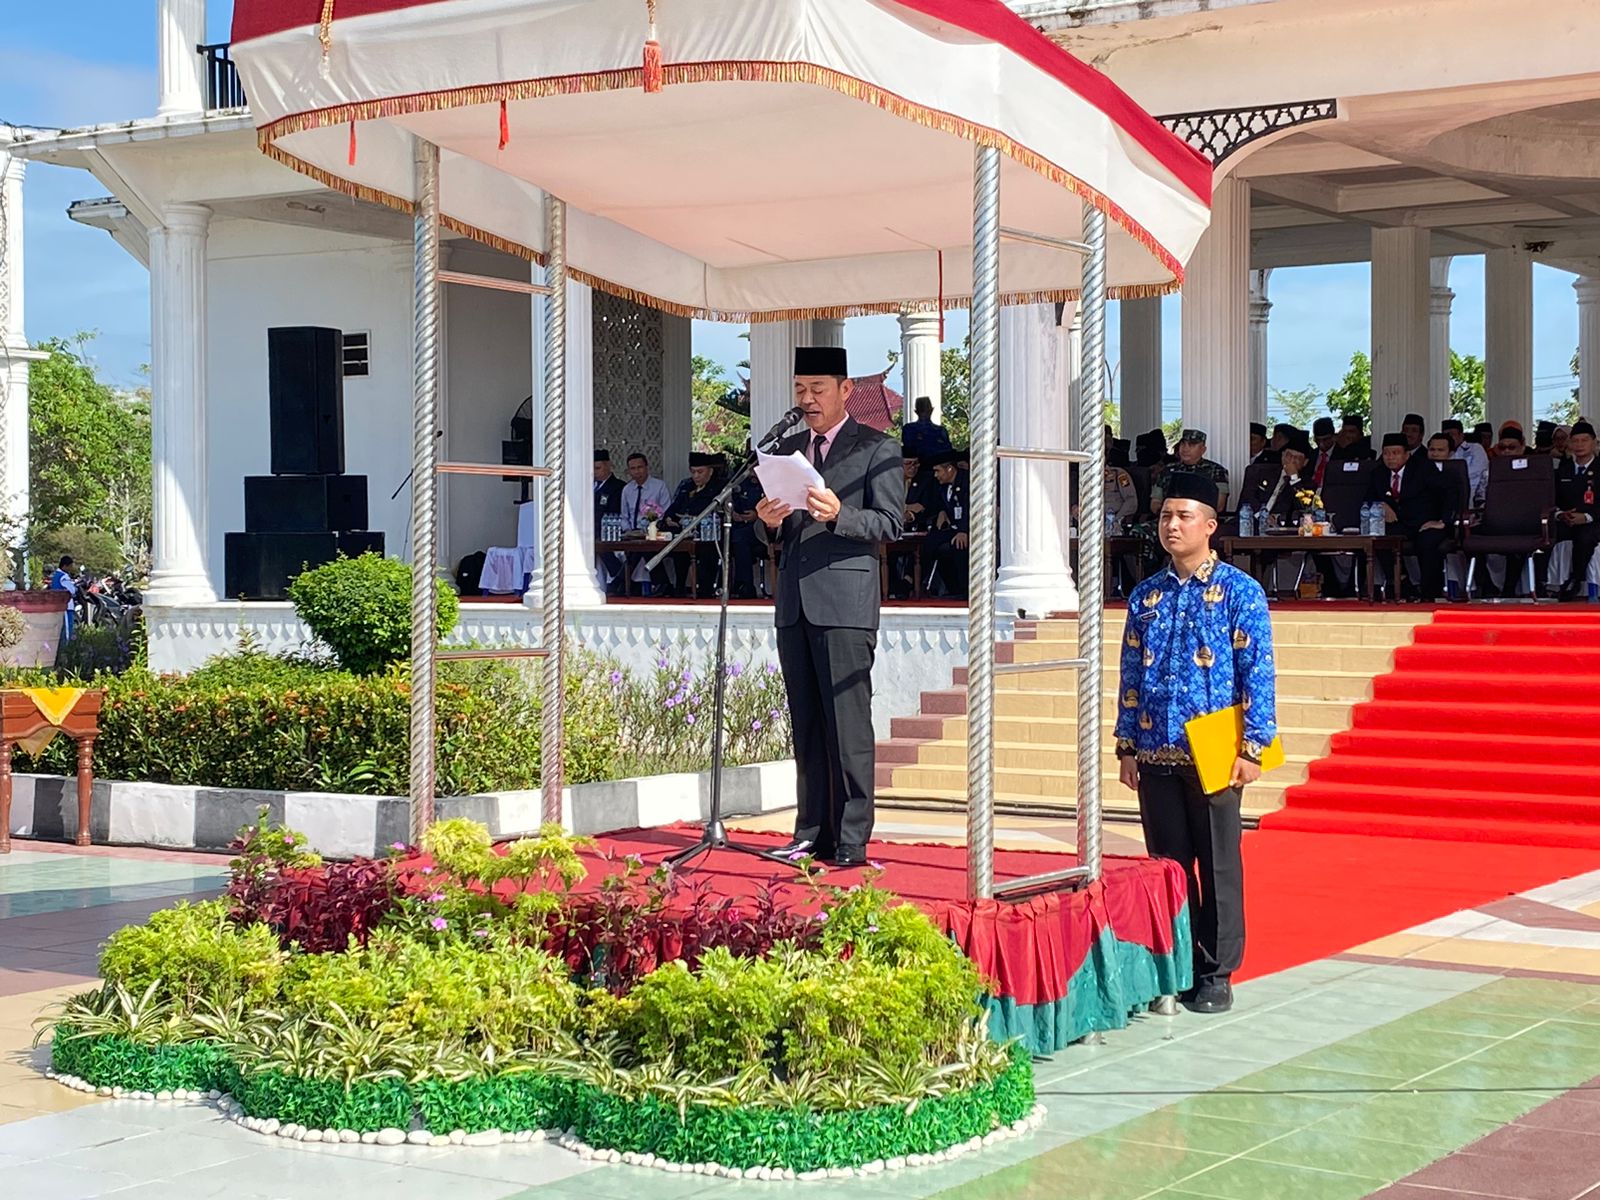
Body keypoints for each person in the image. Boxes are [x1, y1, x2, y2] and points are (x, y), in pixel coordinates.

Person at [1116, 472, 1276, 1015]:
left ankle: (1216, 970)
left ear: (1209, 525)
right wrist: (1126, 745)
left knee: (1218, 862)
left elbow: (1258, 671)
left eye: (1184, 516)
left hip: (1214, 749)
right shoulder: (1146, 594)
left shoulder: (1238, 590)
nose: (1172, 525)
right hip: (1155, 745)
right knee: (1168, 865)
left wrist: (1253, 746)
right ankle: (1176, 963)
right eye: (1166, 515)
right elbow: (1130, 673)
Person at [755, 346, 903, 867]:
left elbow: (890, 523)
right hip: (795, 601)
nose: (808, 399)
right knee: (807, 722)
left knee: (847, 723)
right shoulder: (787, 450)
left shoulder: (877, 448)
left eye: (818, 389)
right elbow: (774, 533)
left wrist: (841, 514)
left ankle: (851, 838)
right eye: (800, 389)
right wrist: (768, 522)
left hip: (845, 604)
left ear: (845, 390)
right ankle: (809, 832)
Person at [1368, 432, 1450, 601]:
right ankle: (1403, 585)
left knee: (1428, 542)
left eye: (1396, 453)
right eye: (1386, 453)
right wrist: (1381, 505)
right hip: (1398, 524)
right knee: (1379, 538)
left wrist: (1444, 521)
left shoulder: (1424, 468)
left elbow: (1449, 493)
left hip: (1425, 523)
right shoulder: (1378, 473)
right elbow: (1367, 498)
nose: (1390, 458)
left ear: (1407, 454)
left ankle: (1429, 594)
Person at [664, 452, 724, 597]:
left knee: (706, 552)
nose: (696, 476)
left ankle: (705, 590)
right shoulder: (687, 486)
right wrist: (669, 518)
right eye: (693, 472)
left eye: (700, 472)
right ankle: (678, 588)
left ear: (710, 471)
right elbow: (674, 508)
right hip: (684, 533)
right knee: (677, 547)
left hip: (707, 534)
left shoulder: (718, 487)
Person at [1555, 420, 1600, 601]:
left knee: (1585, 536)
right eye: (1575, 441)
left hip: (1594, 521)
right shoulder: (1563, 470)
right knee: (1543, 533)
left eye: (1585, 440)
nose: (1580, 445)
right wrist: (1560, 514)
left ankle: (1576, 580)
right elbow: (1554, 499)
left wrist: (1587, 516)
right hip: (1566, 520)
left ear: (1594, 442)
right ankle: (1541, 584)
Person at [620, 451, 673, 595]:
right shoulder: (627, 490)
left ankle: (621, 582)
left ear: (647, 467)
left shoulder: (659, 486)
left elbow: (666, 512)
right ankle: (662, 583)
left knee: (643, 547)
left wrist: (653, 526)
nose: (637, 471)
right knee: (635, 546)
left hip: (654, 532)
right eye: (633, 468)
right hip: (632, 533)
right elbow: (624, 516)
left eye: (640, 467)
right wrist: (628, 530)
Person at [891, 450, 939, 599]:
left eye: (916, 464)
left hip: (917, 526)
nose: (913, 468)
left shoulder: (925, 481)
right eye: (908, 464)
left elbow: (924, 507)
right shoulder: (889, 480)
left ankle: (908, 582)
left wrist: (910, 515)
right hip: (893, 525)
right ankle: (892, 587)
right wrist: (905, 508)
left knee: (923, 547)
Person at [924, 450, 970, 598]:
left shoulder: (967, 482)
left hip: (969, 529)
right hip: (953, 528)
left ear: (950, 469)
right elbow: (938, 504)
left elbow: (969, 507)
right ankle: (928, 584)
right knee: (931, 543)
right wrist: (942, 511)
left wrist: (964, 531)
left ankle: (964, 589)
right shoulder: (943, 487)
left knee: (957, 547)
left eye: (938, 471)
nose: (935, 475)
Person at [1153, 429, 1230, 512]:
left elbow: (1219, 506)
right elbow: (1155, 503)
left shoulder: (1217, 471)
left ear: (1203, 449)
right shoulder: (1167, 470)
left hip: (1201, 518)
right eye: (1183, 444)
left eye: (1191, 445)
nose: (1185, 449)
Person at [593, 449, 626, 594]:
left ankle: (620, 577)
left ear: (608, 466)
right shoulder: (589, 486)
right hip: (590, 529)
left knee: (601, 546)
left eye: (598, 468)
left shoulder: (618, 486)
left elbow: (615, 511)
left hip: (609, 529)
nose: (594, 472)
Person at [1441, 418, 1489, 507]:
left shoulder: (1475, 448)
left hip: (1475, 493)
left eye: (1452, 434)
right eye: (1445, 435)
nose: (1449, 438)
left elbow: (1479, 471)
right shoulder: (1441, 453)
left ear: (1461, 435)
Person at [899, 395, 952, 462]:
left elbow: (948, 452)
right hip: (918, 466)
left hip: (936, 465)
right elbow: (909, 451)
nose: (924, 413)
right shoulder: (909, 429)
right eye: (922, 410)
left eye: (926, 409)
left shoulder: (941, 430)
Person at [49, 555, 77, 642]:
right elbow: (72, 590)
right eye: (70, 566)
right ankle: (67, 647)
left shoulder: (56, 575)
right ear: (65, 566)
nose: (71, 568)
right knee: (67, 629)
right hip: (66, 606)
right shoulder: (64, 576)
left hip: (57, 605)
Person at [1309, 416, 1338, 488]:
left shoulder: (1343, 454)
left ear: (1333, 437)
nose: (1321, 444)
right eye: (1317, 440)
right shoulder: (1310, 455)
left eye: (1325, 440)